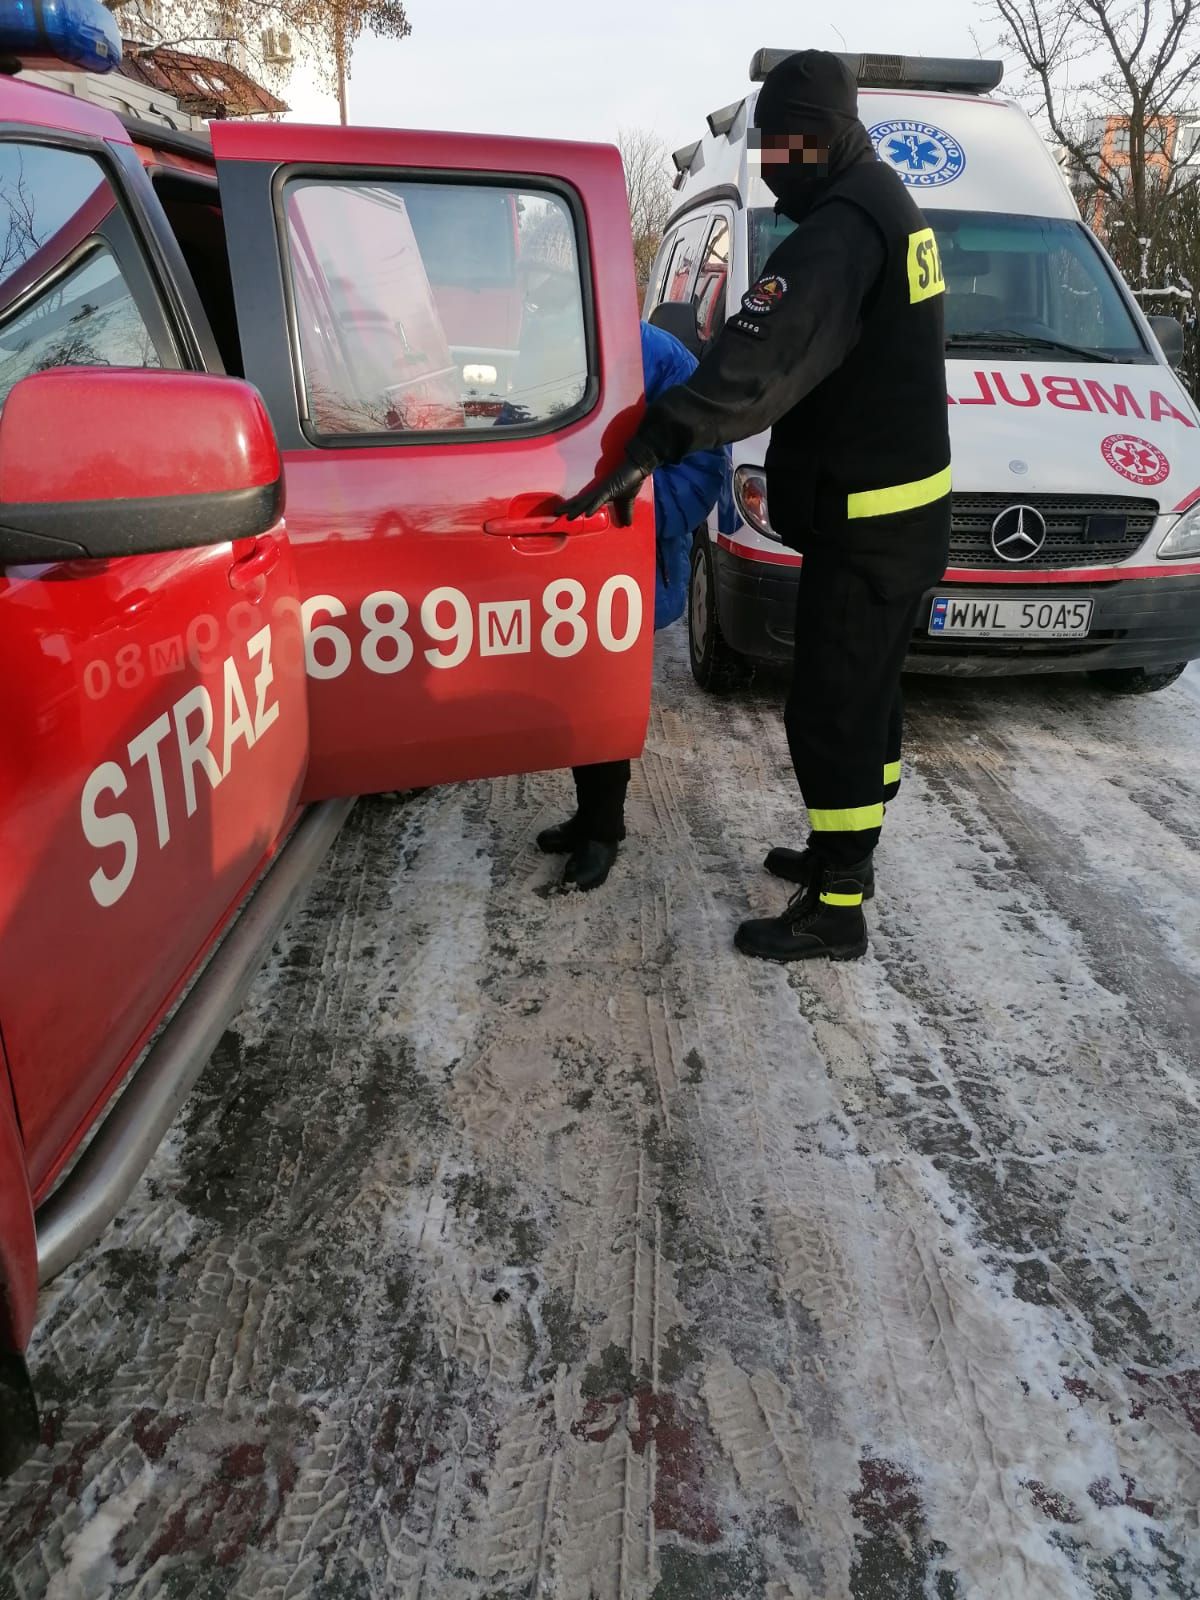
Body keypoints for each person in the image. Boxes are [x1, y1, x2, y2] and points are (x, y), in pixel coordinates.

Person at [559, 50, 951, 961]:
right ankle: (842, 854)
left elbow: (755, 361)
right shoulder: (887, 203)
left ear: (821, 137)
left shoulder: (843, 231)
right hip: (898, 520)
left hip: (867, 527)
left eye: (781, 147)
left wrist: (654, 444)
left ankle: (837, 906)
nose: (773, 167)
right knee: (869, 701)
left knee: (832, 712)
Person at [538, 319, 725, 890]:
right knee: (574, 693)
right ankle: (588, 816)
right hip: (563, 552)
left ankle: (603, 829)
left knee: (604, 696)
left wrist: (633, 510)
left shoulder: (656, 355)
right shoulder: (543, 345)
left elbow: (703, 465)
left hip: (626, 559)